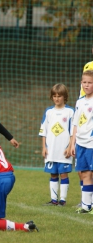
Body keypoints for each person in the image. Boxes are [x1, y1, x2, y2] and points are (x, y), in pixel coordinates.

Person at [39, 83, 74, 206]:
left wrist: (70, 146)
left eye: (59, 96)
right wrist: (44, 147)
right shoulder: (49, 112)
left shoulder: (70, 111)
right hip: (51, 150)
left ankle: (62, 200)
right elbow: (44, 130)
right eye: (54, 96)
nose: (57, 98)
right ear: (51, 97)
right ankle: (53, 200)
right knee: (53, 173)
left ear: (65, 96)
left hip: (64, 150)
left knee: (63, 174)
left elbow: (72, 132)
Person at [71, 70, 93, 214]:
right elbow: (75, 124)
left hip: (91, 143)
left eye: (90, 83)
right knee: (84, 173)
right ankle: (86, 205)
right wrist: (72, 143)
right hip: (80, 143)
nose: (86, 85)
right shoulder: (79, 102)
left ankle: (88, 205)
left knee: (90, 174)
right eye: (84, 82)